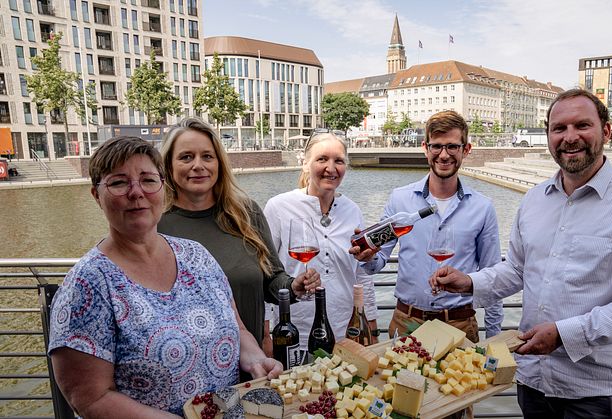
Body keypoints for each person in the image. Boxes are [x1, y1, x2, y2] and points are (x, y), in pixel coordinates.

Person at [432, 89, 612, 418]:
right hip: (533, 378)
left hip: (594, 390)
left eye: (582, 126)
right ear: (548, 135)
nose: (570, 137)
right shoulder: (534, 200)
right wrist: (469, 283)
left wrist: (565, 334)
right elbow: (517, 271)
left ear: (605, 131)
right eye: (559, 128)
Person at [48, 136, 282, 417]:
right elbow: (91, 399)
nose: (136, 192)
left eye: (147, 180)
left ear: (162, 186)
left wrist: (256, 359)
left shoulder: (196, 255)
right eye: (119, 182)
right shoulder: (87, 286)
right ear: (97, 195)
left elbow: (238, 329)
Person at [157, 117, 320, 364]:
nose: (198, 165)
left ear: (220, 164)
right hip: (187, 368)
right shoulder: (156, 224)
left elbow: (272, 278)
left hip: (250, 364)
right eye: (186, 157)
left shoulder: (245, 213)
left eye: (207, 157)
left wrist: (293, 287)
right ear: (168, 165)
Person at [351, 110, 503, 343]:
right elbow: (377, 263)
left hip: (460, 324)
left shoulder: (483, 207)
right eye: (437, 146)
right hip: (407, 322)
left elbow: (492, 276)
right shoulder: (399, 199)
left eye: (452, 147)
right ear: (425, 148)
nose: (444, 155)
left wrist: (495, 340)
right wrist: (367, 257)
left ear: (466, 150)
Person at [263, 132, 378, 355]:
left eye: (339, 161)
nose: (331, 168)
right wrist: (265, 334)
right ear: (305, 164)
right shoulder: (278, 208)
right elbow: (265, 273)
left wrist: (371, 326)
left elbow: (361, 274)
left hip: (344, 332)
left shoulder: (352, 210)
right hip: (294, 336)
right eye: (322, 159)